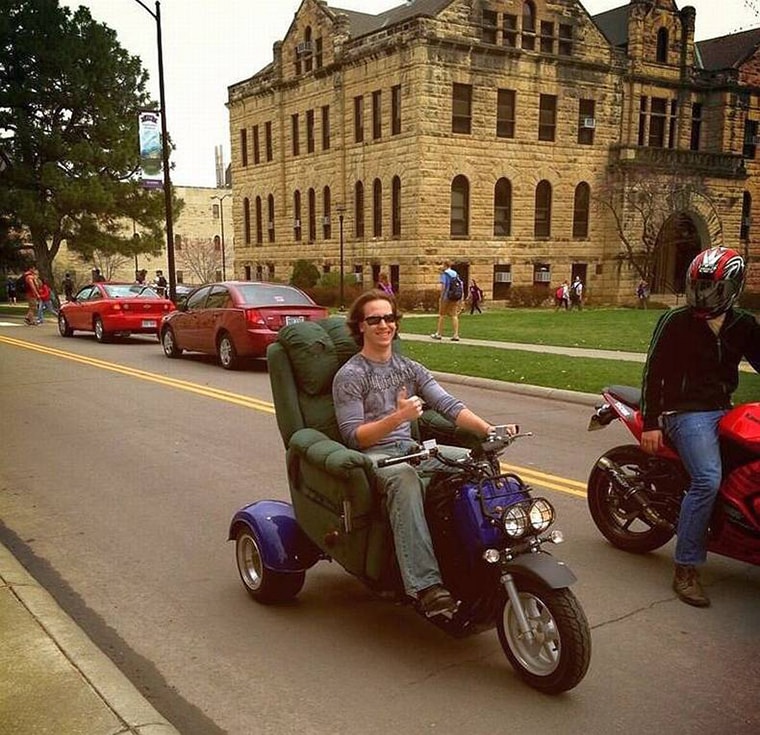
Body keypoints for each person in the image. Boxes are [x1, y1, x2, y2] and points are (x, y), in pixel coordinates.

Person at [333, 289, 512, 616]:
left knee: (477, 464)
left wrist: (488, 430)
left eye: (389, 318)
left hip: (412, 449)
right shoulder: (350, 375)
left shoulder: (409, 368)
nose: (384, 325)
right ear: (360, 326)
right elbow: (354, 436)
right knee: (405, 480)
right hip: (375, 457)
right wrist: (398, 418)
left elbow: (447, 404)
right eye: (374, 319)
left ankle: (490, 554)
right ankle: (426, 586)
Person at [640, 247, 760, 608]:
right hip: (684, 413)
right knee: (707, 479)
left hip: (724, 409)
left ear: (732, 288)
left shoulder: (744, 325)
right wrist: (651, 422)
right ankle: (686, 567)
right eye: (698, 287)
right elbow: (653, 373)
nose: (703, 295)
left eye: (713, 288)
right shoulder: (675, 321)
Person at [430, 262, 463, 341]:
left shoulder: (445, 274)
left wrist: (441, 297)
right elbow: (460, 283)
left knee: (442, 315)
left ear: (445, 265)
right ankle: (456, 334)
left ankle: (439, 333)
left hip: (446, 297)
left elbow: (444, 286)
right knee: (454, 315)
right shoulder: (455, 273)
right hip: (454, 296)